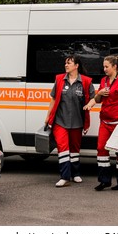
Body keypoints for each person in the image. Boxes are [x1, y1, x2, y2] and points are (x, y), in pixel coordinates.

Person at [84, 55, 118, 191]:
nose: (104, 69)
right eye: (104, 66)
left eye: (107, 66)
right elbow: (98, 100)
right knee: (101, 149)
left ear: (115, 67)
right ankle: (104, 181)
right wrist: (98, 94)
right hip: (105, 122)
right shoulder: (103, 81)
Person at [45, 55, 95, 187]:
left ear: (76, 66)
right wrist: (48, 116)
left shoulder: (85, 81)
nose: (66, 65)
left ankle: (75, 173)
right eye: (65, 63)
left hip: (77, 121)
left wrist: (90, 104)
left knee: (74, 149)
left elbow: (93, 98)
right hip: (60, 121)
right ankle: (64, 176)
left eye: (69, 63)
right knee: (63, 148)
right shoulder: (59, 79)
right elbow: (54, 99)